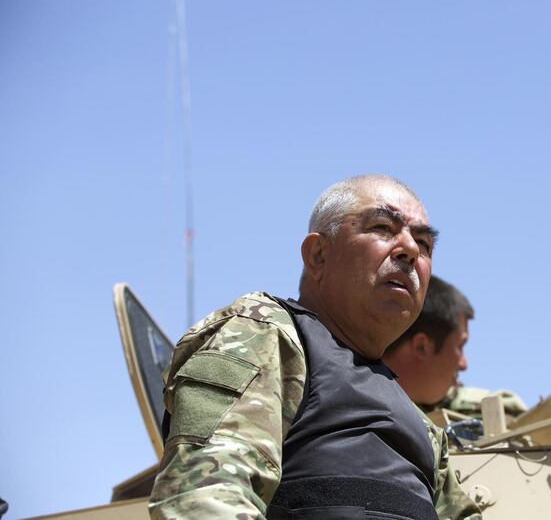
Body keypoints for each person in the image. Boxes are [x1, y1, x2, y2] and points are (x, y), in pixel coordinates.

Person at [149, 175, 480, 519]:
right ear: (318, 255)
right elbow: (204, 495)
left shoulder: (425, 431)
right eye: (383, 227)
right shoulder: (268, 334)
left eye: (424, 244)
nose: (410, 249)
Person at [382, 275, 527, 421]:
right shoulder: (367, 409)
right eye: (460, 346)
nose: (464, 364)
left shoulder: (481, 412)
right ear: (421, 347)